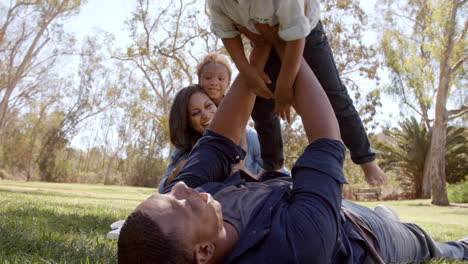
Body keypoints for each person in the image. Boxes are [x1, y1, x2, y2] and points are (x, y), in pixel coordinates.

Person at [117, 37, 467, 263]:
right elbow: (326, 140)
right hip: (368, 237)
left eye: (171, 192)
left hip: (312, 203)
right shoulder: (296, 250)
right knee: (423, 244)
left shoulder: (196, 200)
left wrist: (259, 45)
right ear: (204, 251)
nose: (180, 187)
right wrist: (290, 40)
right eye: (181, 201)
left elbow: (217, 140)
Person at [207, 0, 388, 186]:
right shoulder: (217, 2)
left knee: (334, 97)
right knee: (261, 104)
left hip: (307, 37)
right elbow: (227, 33)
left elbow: (295, 35)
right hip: (262, 39)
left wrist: (285, 87)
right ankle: (273, 166)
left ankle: (366, 160)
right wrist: (246, 70)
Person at [158, 85, 264, 193]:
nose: (206, 115)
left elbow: (279, 174)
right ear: (188, 122)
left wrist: (249, 176)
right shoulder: (185, 148)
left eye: (208, 106)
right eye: (196, 113)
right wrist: (174, 175)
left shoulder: (249, 135)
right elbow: (163, 190)